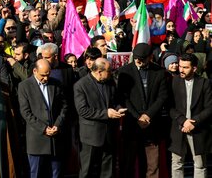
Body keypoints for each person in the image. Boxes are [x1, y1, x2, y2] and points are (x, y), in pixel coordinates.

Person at [117, 43, 167, 178]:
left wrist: (148, 115)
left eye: (142, 58)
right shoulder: (124, 71)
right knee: (129, 163)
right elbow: (123, 98)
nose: (138, 61)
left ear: (150, 57)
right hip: (132, 123)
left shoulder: (159, 72)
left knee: (152, 165)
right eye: (136, 58)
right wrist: (138, 117)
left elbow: (162, 96)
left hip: (152, 124)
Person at [74, 58, 125, 178]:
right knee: (87, 170)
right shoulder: (81, 85)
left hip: (108, 134)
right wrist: (106, 113)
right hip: (91, 136)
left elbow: (114, 101)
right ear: (99, 72)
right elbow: (83, 110)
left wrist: (118, 108)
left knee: (108, 170)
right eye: (109, 70)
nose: (111, 73)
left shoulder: (110, 82)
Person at [18, 59, 68, 178]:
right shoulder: (24, 86)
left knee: (56, 173)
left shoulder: (56, 83)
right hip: (37, 140)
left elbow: (64, 107)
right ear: (35, 71)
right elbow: (26, 112)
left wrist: (58, 124)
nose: (46, 78)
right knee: (36, 173)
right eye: (43, 75)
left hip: (55, 139)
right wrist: (44, 128)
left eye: (48, 74)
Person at [169, 53, 212, 178]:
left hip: (198, 129)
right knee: (177, 163)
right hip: (179, 127)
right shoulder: (174, 81)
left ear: (194, 68)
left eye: (185, 67)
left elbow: (209, 107)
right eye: (180, 66)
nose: (181, 70)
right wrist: (183, 121)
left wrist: (194, 122)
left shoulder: (204, 83)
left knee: (200, 164)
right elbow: (170, 106)